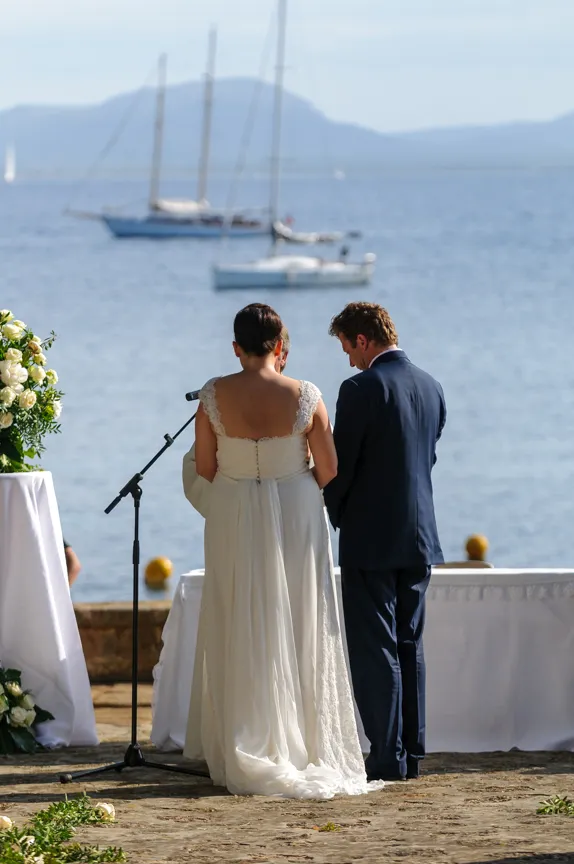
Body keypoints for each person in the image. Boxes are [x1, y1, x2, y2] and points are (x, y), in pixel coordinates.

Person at [184, 304, 380, 799]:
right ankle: (304, 745)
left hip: (231, 512)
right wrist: (290, 484)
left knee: (238, 614)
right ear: (279, 347)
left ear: (236, 347)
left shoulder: (212, 394)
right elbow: (329, 467)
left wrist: (243, 487)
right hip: (296, 511)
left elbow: (204, 467)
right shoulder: (307, 394)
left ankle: (243, 738)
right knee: (300, 618)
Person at [324, 302, 446, 783]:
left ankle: (386, 756)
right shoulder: (432, 385)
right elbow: (427, 458)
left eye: (346, 347)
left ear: (362, 339)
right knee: (410, 643)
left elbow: (341, 466)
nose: (348, 360)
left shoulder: (360, 388)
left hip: (371, 538)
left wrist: (332, 511)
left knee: (376, 649)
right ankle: (412, 753)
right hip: (420, 537)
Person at [182, 327, 290, 514]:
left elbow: (202, 470)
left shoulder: (301, 402)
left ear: (283, 355)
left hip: (280, 508)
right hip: (241, 509)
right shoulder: (220, 402)